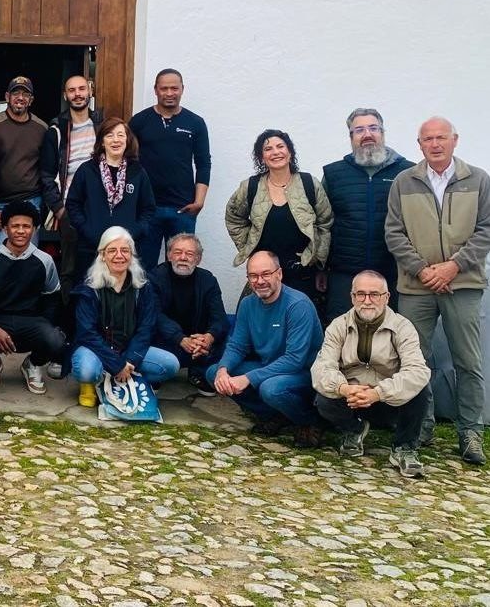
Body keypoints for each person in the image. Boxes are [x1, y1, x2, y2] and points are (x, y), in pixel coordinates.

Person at [385, 116, 490, 466]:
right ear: (419, 144)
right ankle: (421, 426)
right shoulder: (404, 182)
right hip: (417, 285)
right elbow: (394, 233)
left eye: (441, 137)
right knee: (415, 359)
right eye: (427, 139)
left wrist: (453, 266)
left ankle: (470, 433)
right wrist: (423, 269)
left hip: (463, 283)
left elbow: (485, 230)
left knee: (468, 360)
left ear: (455, 140)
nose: (435, 144)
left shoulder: (477, 179)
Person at [311, 271, 431, 478]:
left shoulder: (403, 327)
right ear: (352, 297)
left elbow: (417, 371)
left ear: (386, 297)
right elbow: (322, 367)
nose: (367, 301)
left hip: (389, 399)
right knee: (323, 397)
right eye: (360, 294)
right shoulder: (338, 326)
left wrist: (379, 393)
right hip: (352, 398)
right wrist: (344, 388)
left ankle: (404, 447)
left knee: (421, 389)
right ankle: (354, 429)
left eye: (374, 294)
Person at [208, 251, 326, 448]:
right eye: (253, 276)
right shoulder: (247, 304)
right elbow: (237, 345)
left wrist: (247, 378)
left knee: (271, 389)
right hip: (269, 367)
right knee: (214, 374)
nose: (259, 281)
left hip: (303, 372)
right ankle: (275, 415)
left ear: (279, 274)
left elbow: (295, 360)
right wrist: (223, 370)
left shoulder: (298, 305)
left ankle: (310, 421)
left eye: (266, 274)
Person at [320, 108, 412, 322]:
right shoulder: (333, 174)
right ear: (351, 137)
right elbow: (322, 224)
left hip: (393, 272)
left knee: (391, 336)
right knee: (341, 335)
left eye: (373, 128)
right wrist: (321, 268)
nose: (367, 134)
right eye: (359, 130)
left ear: (383, 132)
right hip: (345, 274)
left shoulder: (407, 172)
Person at [70, 227, 178, 407]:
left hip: (129, 350)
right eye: (112, 250)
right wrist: (116, 363)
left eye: (125, 250)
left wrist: (130, 360)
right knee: (87, 370)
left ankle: (122, 377)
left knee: (170, 364)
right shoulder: (89, 288)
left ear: (132, 255)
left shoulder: (144, 287)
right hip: (96, 350)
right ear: (102, 255)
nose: (119, 255)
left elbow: (146, 328)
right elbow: (86, 333)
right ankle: (95, 380)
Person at [224, 129, 333, 306]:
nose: (275, 152)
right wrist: (249, 249)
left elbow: (325, 223)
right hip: (265, 276)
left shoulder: (309, 184)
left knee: (298, 323)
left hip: (302, 273)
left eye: (280, 146)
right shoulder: (250, 187)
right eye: (268, 149)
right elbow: (234, 218)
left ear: (290, 152)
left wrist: (317, 260)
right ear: (261, 157)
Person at [0, 200, 65, 394]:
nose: (21, 231)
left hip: (31, 321)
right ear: (5, 229)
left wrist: (44, 330)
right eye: (15, 226)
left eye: (26, 226)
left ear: (34, 229)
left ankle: (32, 364)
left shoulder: (45, 261)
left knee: (55, 339)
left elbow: (52, 299)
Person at [129, 68, 211, 268]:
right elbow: (128, 161)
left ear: (182, 89)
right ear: (155, 90)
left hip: (182, 209)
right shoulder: (139, 121)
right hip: (147, 208)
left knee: (180, 267)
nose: (169, 93)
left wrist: (199, 201)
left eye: (174, 88)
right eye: (164, 88)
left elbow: (203, 163)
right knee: (142, 268)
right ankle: (145, 301)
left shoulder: (196, 123)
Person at [65, 117, 155, 287]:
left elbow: (148, 209)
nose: (116, 140)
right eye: (109, 135)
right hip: (91, 248)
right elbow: (73, 204)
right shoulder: (87, 170)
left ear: (127, 140)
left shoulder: (138, 172)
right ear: (101, 141)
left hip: (124, 252)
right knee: (89, 296)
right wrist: (87, 230)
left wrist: (135, 231)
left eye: (120, 135)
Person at [39, 74, 103, 298]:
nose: (78, 94)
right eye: (72, 90)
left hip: (101, 207)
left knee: (101, 266)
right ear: (65, 95)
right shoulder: (55, 129)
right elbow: (46, 175)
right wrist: (59, 208)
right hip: (71, 207)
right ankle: (70, 325)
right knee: (69, 269)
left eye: (82, 89)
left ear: (90, 91)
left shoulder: (103, 126)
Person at [148, 233, 230, 396]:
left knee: (230, 332)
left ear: (198, 259)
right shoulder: (154, 277)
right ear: (169, 255)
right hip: (166, 342)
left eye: (190, 254)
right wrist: (180, 338)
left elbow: (219, 317)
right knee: (148, 326)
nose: (183, 257)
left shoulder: (208, 280)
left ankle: (198, 372)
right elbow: (154, 315)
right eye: (178, 252)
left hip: (199, 345)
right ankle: (155, 374)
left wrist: (208, 338)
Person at [0, 76, 47, 252]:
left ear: (31, 100)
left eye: (25, 94)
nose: (20, 97)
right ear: (7, 97)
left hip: (31, 201)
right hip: (0, 205)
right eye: (15, 93)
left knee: (28, 261)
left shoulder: (41, 128)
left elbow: (46, 169)